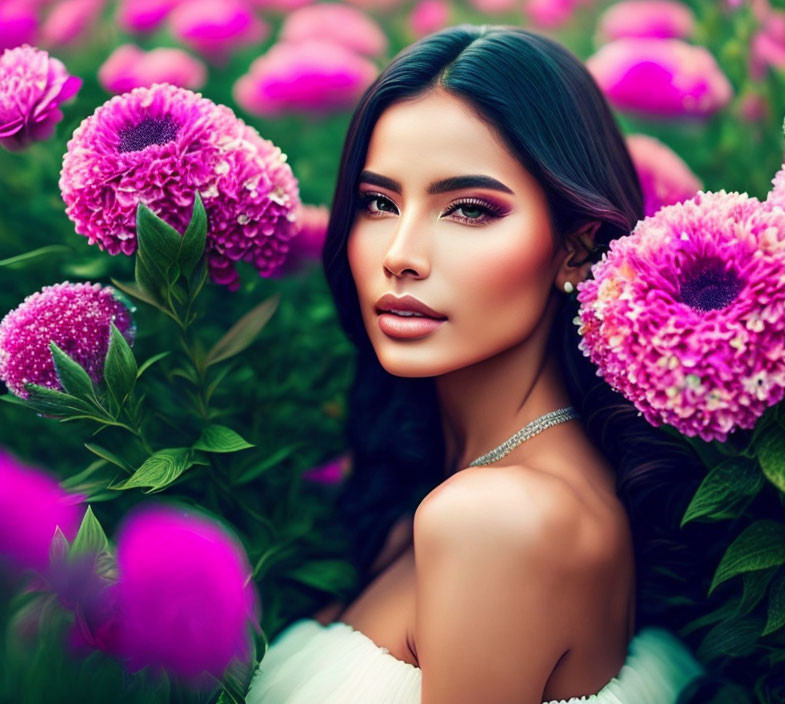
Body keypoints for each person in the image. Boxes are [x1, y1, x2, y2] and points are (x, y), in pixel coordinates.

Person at [246, 23, 705, 704]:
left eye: (467, 209)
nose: (400, 253)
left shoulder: (492, 522)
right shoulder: (467, 488)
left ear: (576, 251)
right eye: (378, 202)